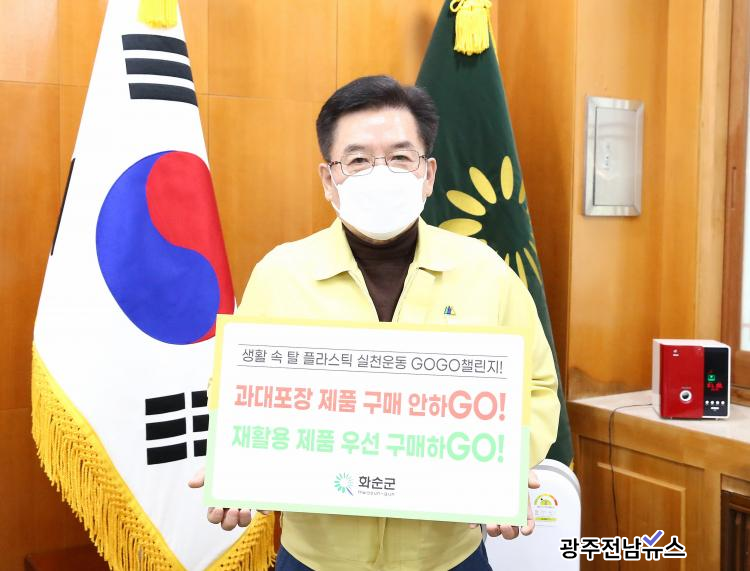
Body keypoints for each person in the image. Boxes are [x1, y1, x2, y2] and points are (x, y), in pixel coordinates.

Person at [190, 75, 560, 570]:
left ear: (428, 174)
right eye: (359, 160)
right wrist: (236, 466)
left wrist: (504, 463)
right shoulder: (281, 274)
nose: (380, 174)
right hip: (316, 558)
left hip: (447, 557)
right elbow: (236, 390)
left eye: (400, 157)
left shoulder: (485, 272)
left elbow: (537, 387)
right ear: (329, 179)